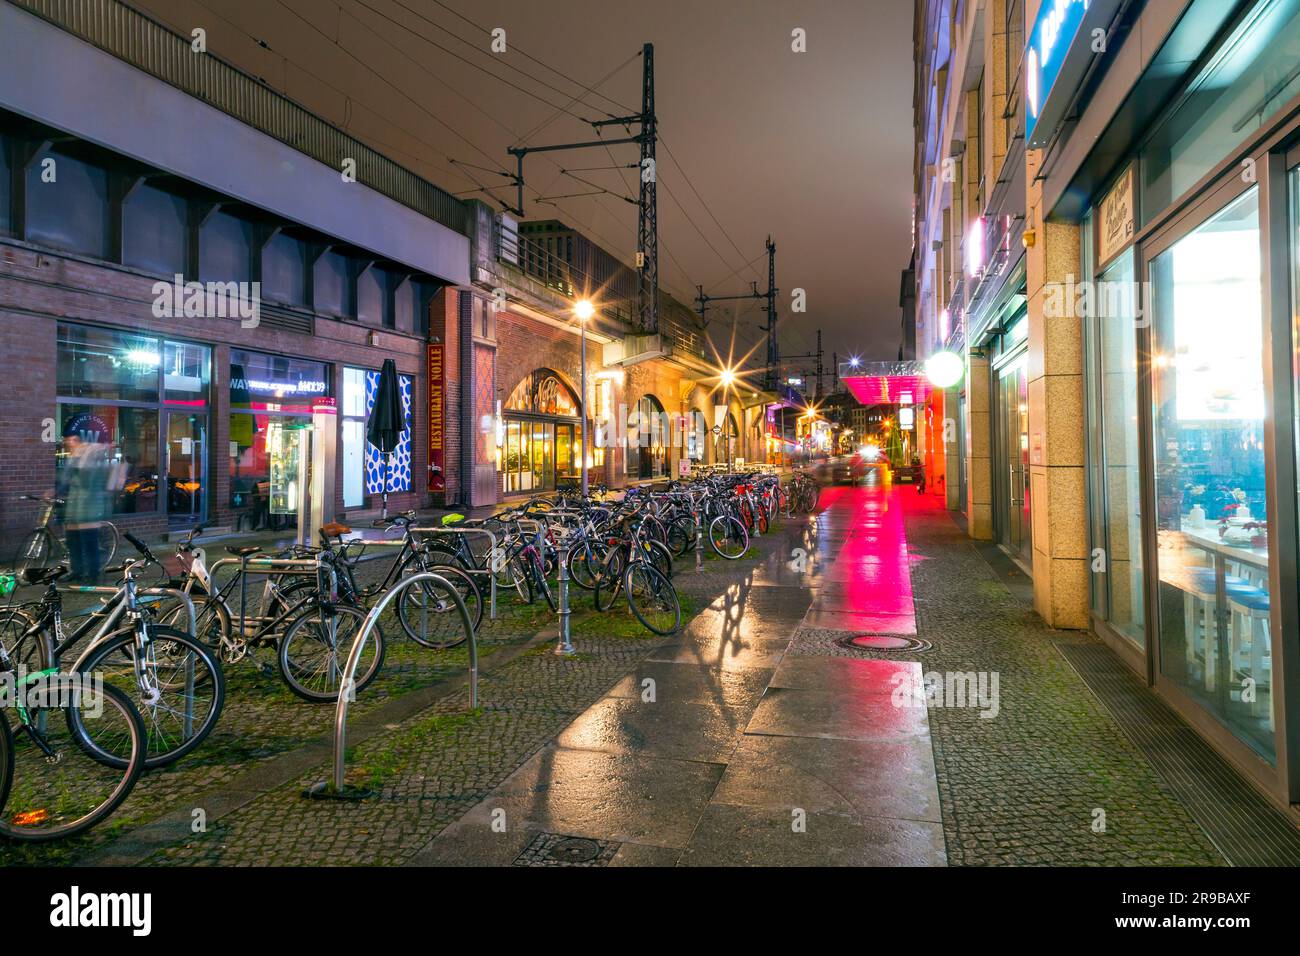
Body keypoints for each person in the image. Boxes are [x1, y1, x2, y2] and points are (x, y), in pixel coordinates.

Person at [59, 425, 112, 583]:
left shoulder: (91, 455)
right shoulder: (74, 455)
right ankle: (77, 571)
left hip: (89, 503)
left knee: (88, 541)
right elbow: (66, 478)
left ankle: (92, 574)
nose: (69, 442)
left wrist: (76, 458)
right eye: (67, 439)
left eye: (73, 439)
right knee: (72, 539)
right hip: (75, 503)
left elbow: (86, 479)